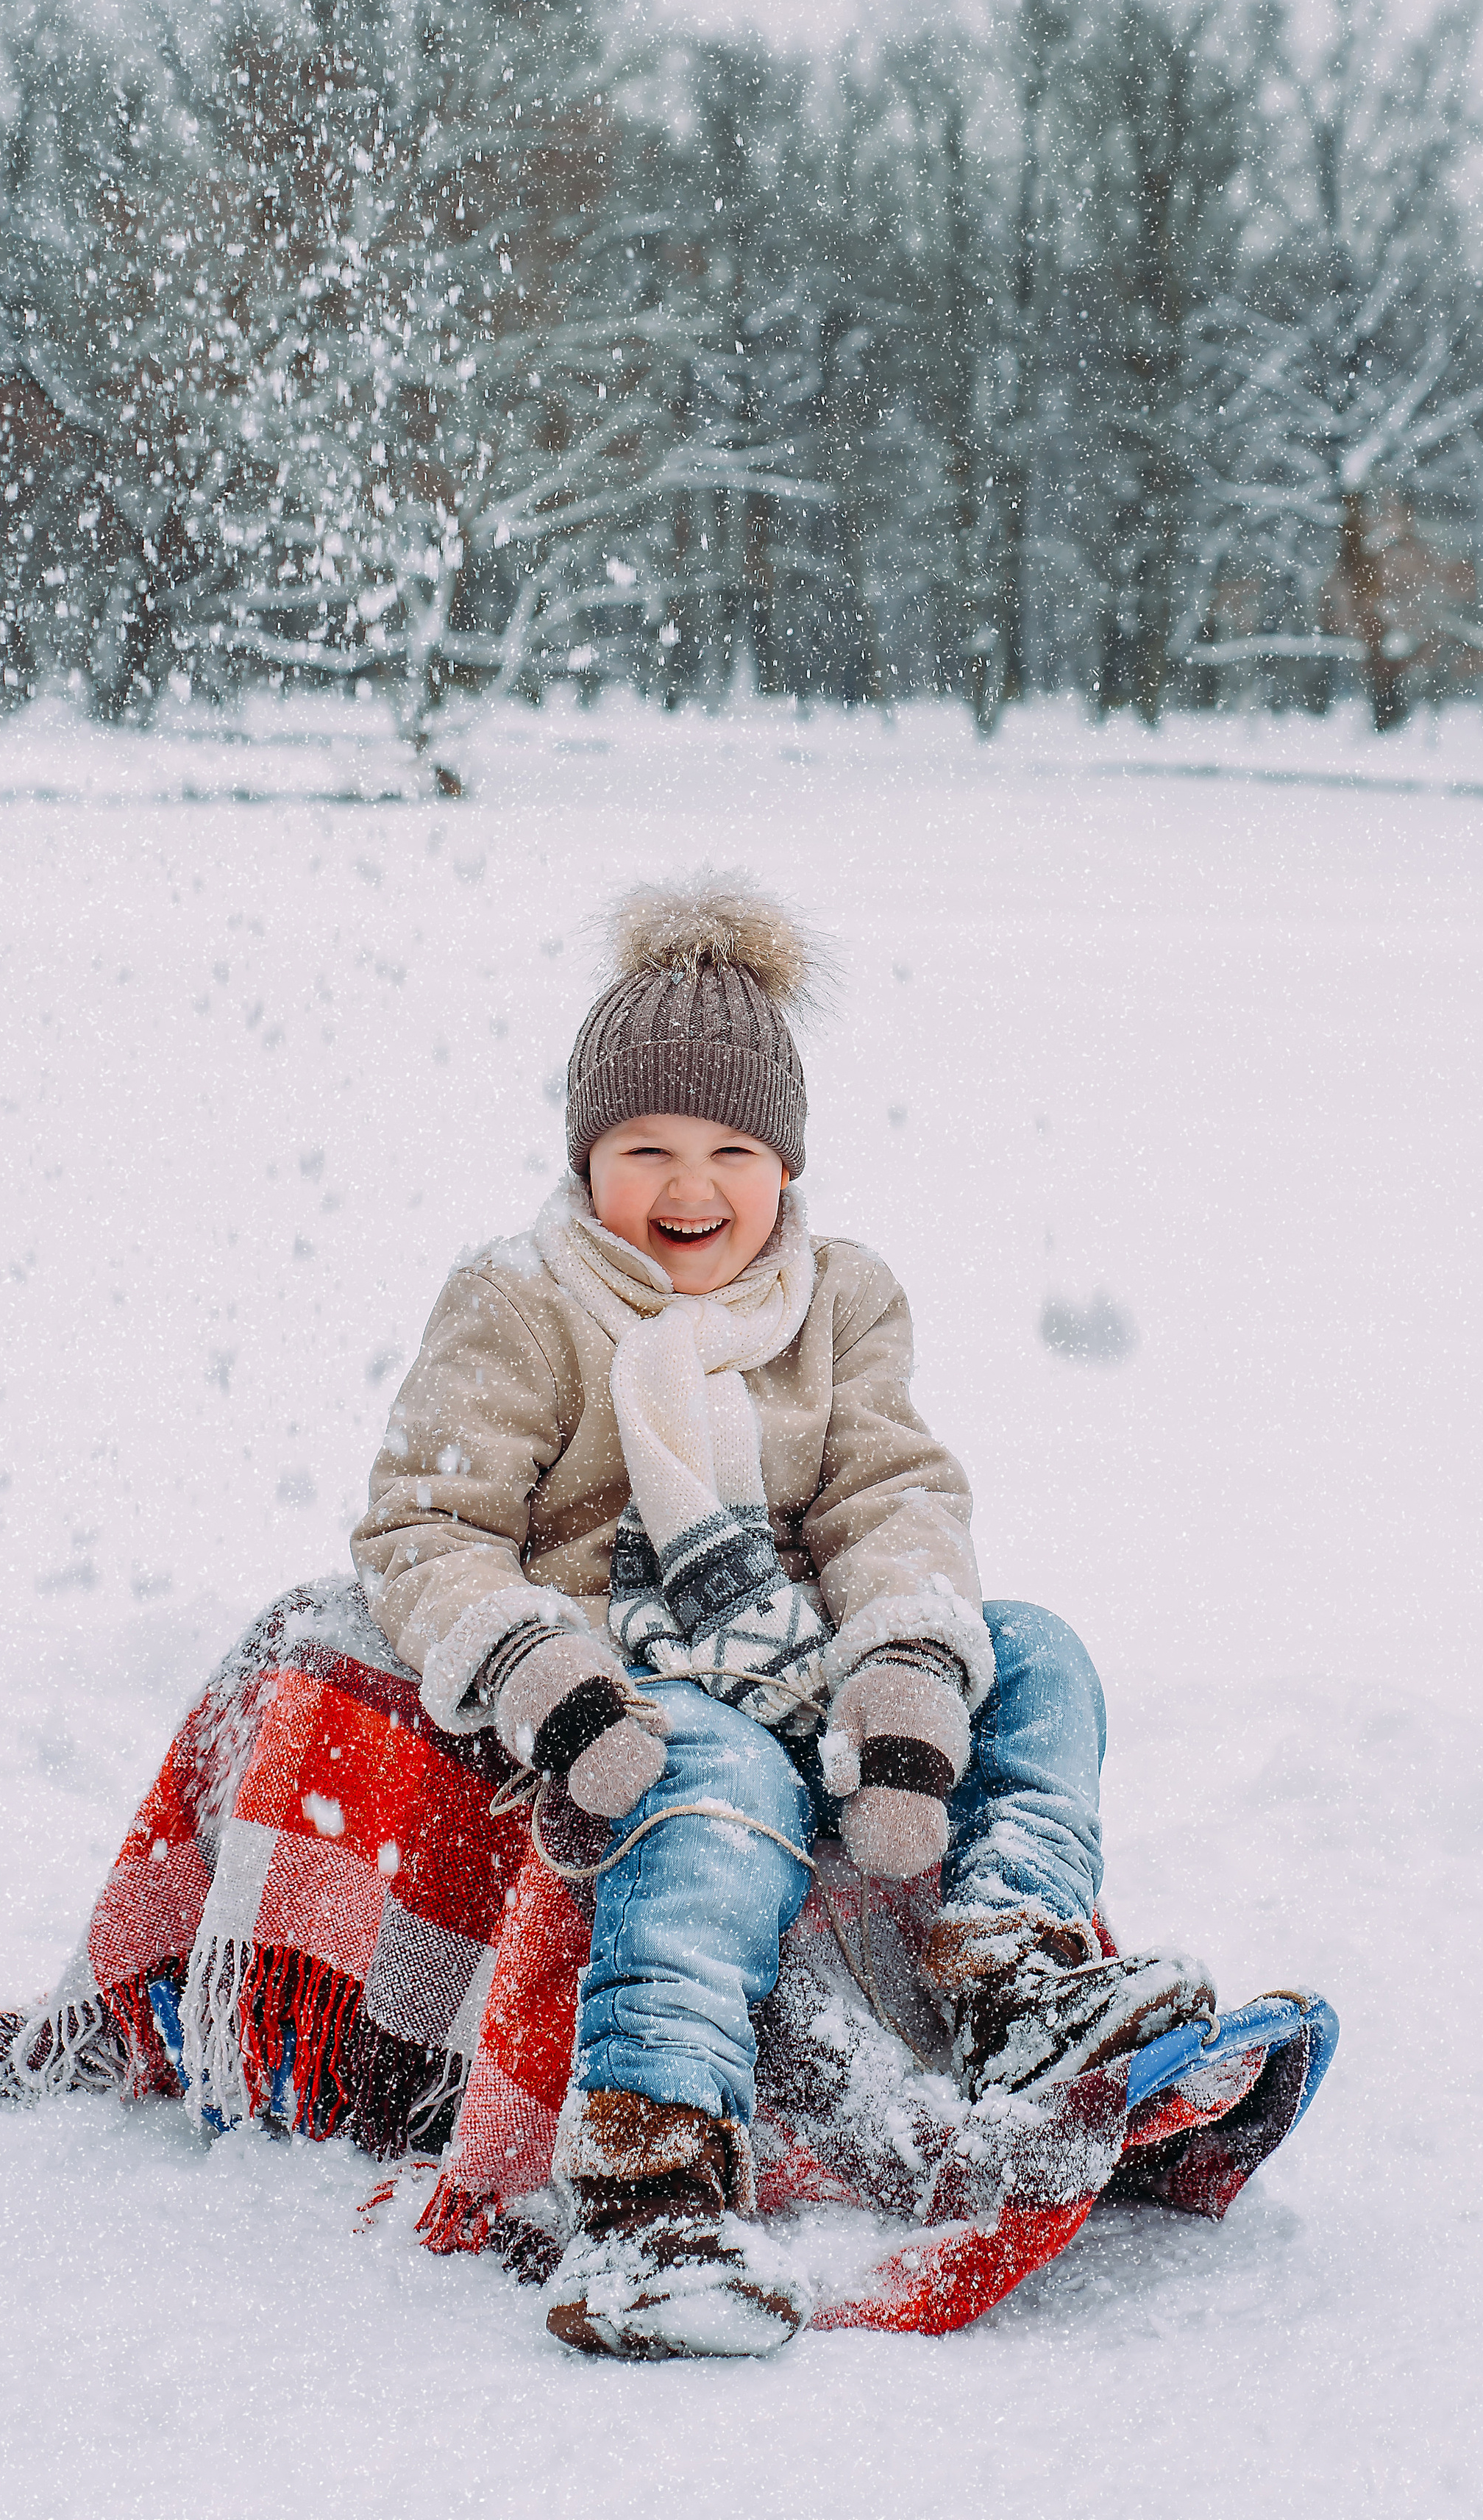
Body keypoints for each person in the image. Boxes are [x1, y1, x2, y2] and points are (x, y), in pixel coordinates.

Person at [352, 875, 1214, 2356]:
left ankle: (1014, 1969)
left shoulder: (838, 1300)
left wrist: (899, 1681)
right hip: (622, 1677)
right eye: (646, 1151)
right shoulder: (517, 1302)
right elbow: (427, 1526)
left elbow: (890, 1501)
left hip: (802, 1656)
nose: (689, 1190)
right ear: (585, 1157)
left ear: (785, 1163)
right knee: (726, 1781)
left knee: (1041, 1651)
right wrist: (539, 1675)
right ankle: (649, 2189)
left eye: (730, 1152)